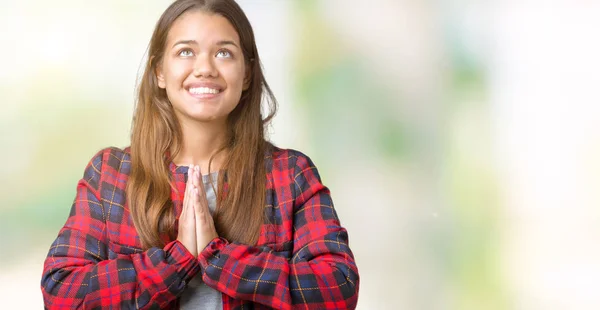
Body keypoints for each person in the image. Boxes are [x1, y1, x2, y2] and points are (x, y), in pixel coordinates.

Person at [40, 0, 359, 309]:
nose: (205, 68)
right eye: (185, 52)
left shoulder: (291, 173)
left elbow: (339, 288)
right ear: (159, 72)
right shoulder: (110, 173)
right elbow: (61, 292)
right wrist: (175, 261)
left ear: (246, 74)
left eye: (223, 53)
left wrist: (220, 258)